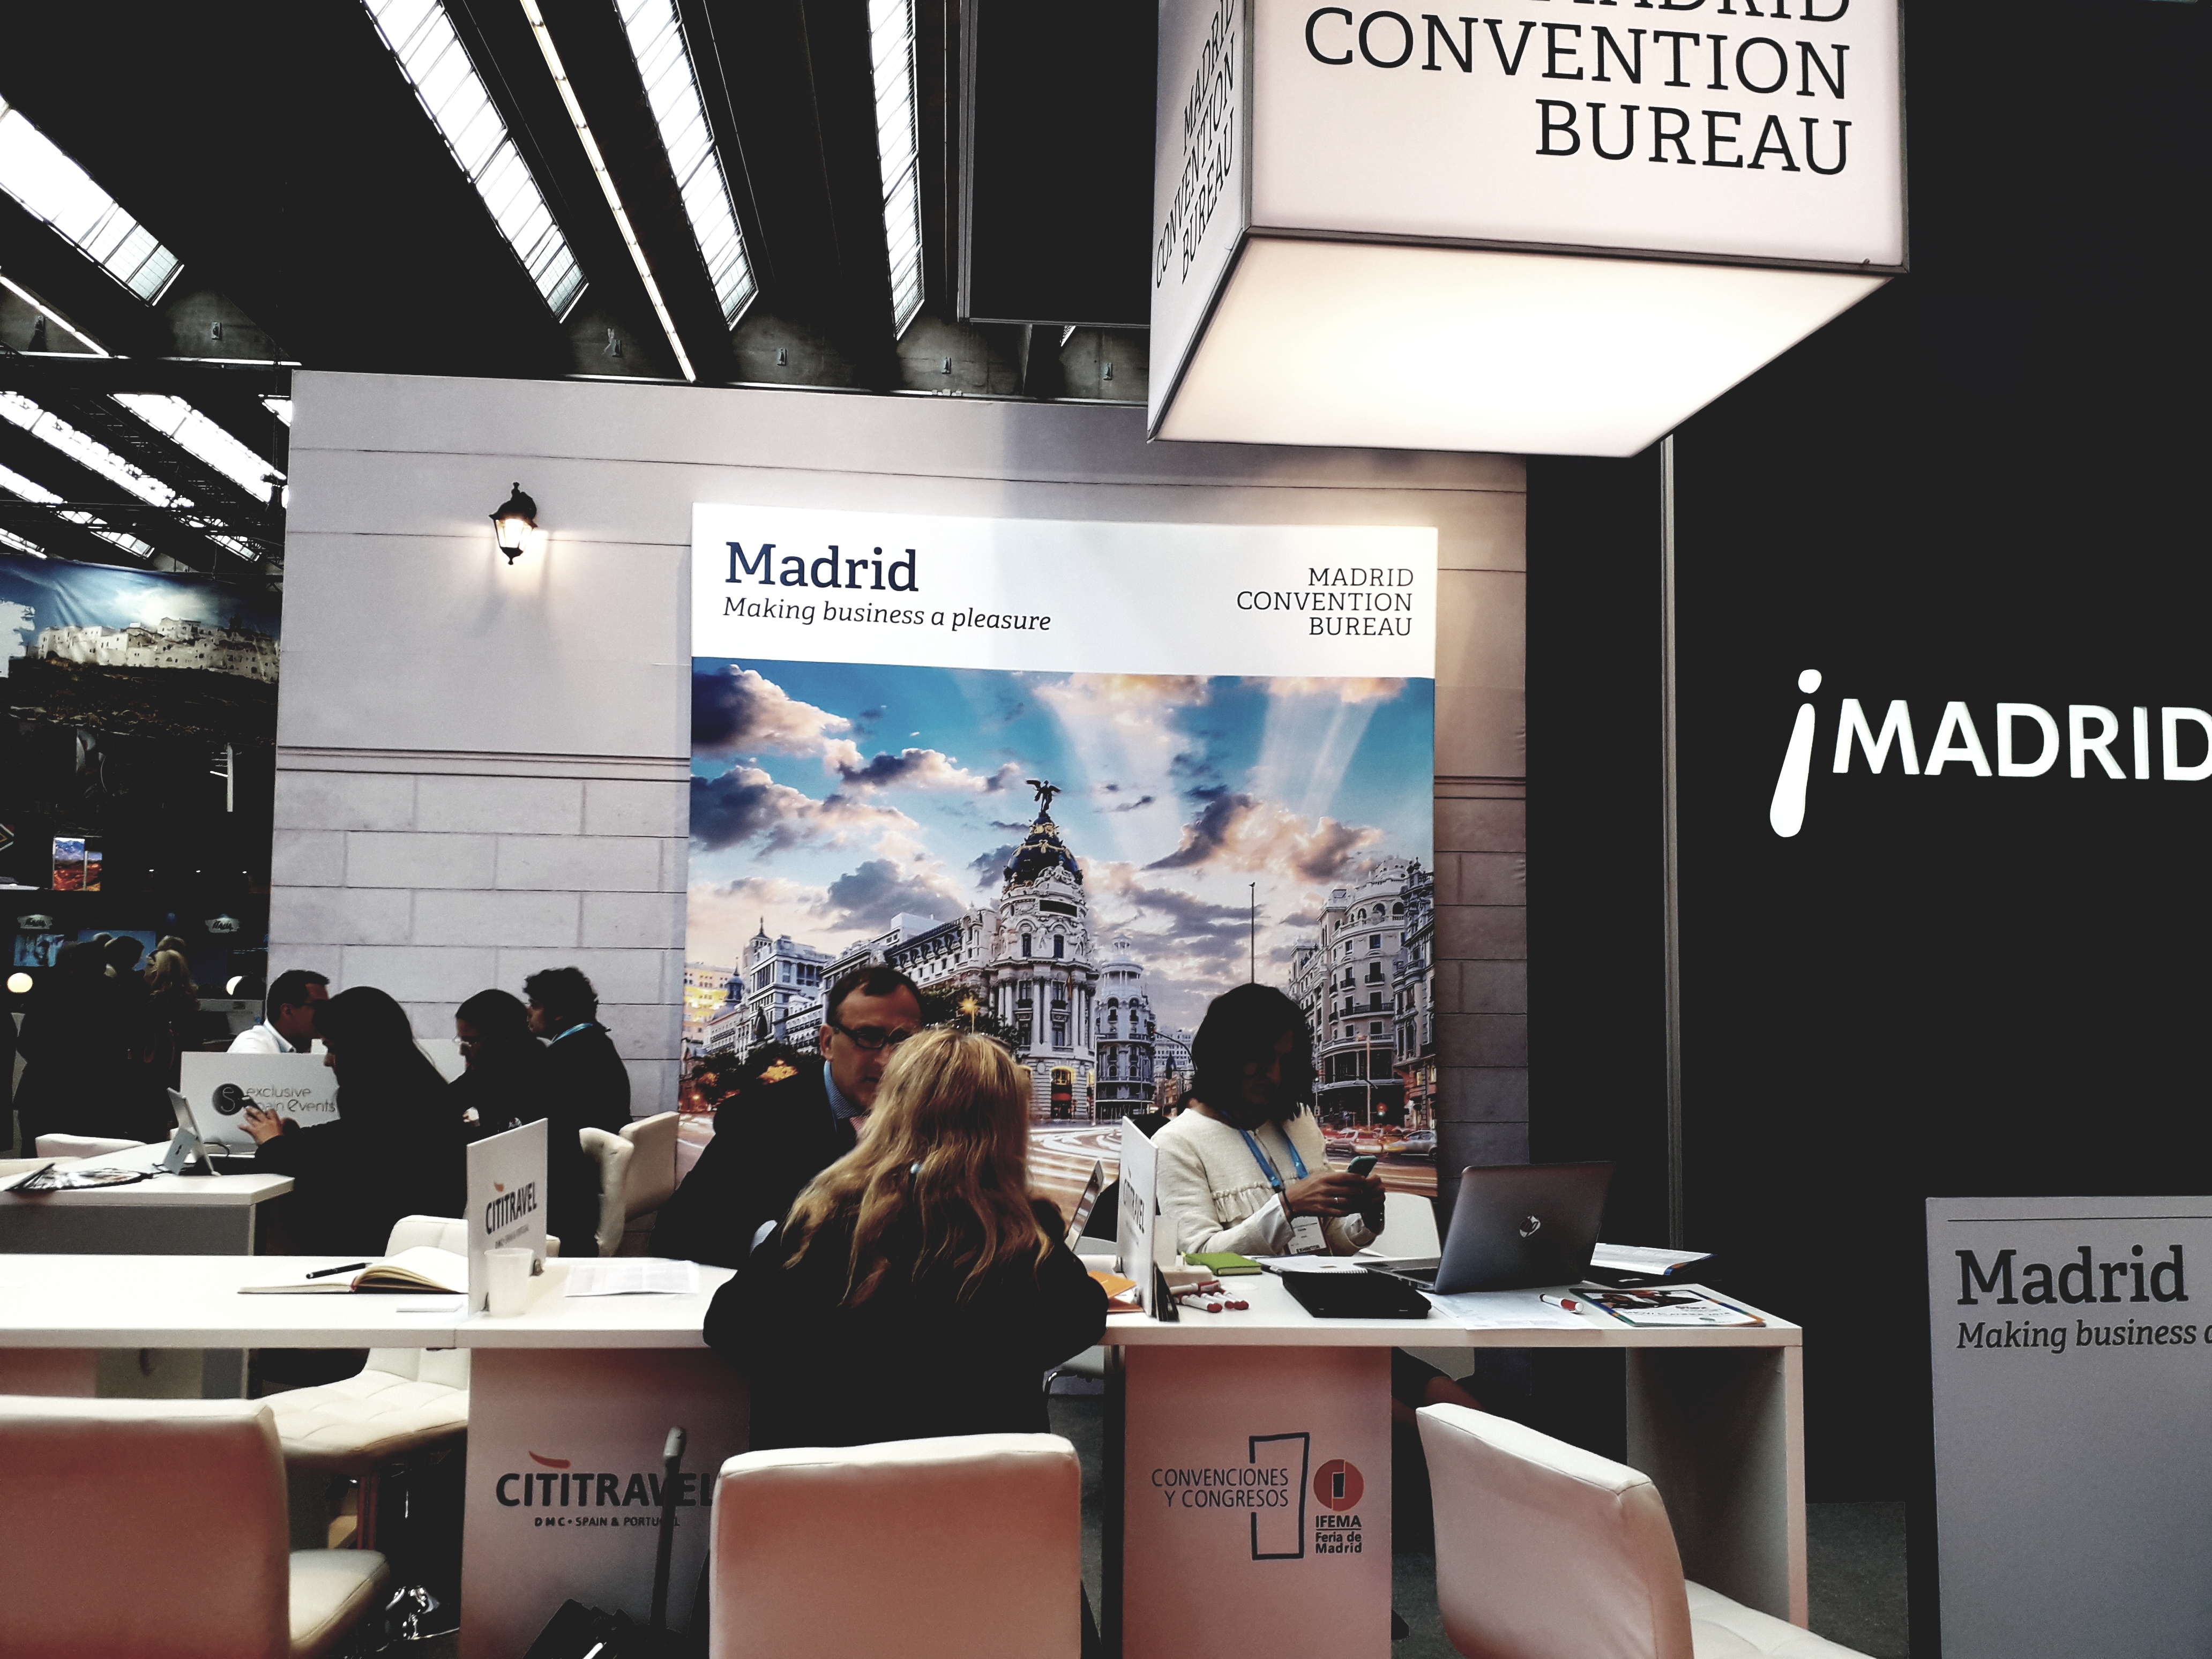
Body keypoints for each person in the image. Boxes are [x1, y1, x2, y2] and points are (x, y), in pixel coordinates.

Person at [703, 1025, 1107, 1449]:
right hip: (983, 1489)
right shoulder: (1024, 1239)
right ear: (1007, 1127)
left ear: (891, 1110)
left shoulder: (822, 1219)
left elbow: (729, 1325)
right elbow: (1083, 1316)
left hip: (828, 1486)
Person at [653, 966, 925, 1268]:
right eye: (867, 1037)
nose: (888, 1060)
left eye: (904, 1040)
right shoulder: (757, 1119)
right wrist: (784, 1247)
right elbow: (678, 1232)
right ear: (827, 1043)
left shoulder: (936, 1115)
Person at [1151, 983, 1385, 1258]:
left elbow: (1331, 1240)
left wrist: (1367, 1217)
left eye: (1285, 1061)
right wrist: (1287, 1207)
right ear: (1224, 1057)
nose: (1275, 1076)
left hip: (1315, 1285)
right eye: (1261, 1060)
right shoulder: (1176, 1143)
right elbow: (1200, 1254)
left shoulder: (1299, 1120)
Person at [242, 987, 462, 1257]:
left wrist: (274, 1145)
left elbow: (335, 1169)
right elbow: (352, 1138)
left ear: (362, 1050)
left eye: (333, 1049)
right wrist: (300, 1136)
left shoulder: (389, 1103)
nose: (327, 1061)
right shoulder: (418, 1091)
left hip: (380, 1251)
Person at [452, 988, 600, 1256]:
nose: (463, 1051)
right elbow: (446, 1101)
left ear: (503, 1038)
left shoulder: (543, 1075)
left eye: (471, 1042)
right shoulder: (490, 1069)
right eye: (461, 1042)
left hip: (551, 1214)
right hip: (515, 1201)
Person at [524, 967, 629, 1136]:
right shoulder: (597, 1041)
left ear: (558, 1012)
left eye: (535, 1005)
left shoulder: (561, 1056)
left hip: (576, 1149)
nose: (528, 1012)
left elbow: (538, 1122)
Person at [140, 948, 200, 1089]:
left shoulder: (152, 1005)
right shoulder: (189, 1003)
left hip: (155, 1075)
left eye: (149, 965)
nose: (144, 970)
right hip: (183, 1073)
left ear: (158, 971)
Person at [230, 968, 327, 1054]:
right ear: (288, 1011)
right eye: (319, 1006)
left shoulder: (305, 1048)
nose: (326, 1014)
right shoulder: (252, 1046)